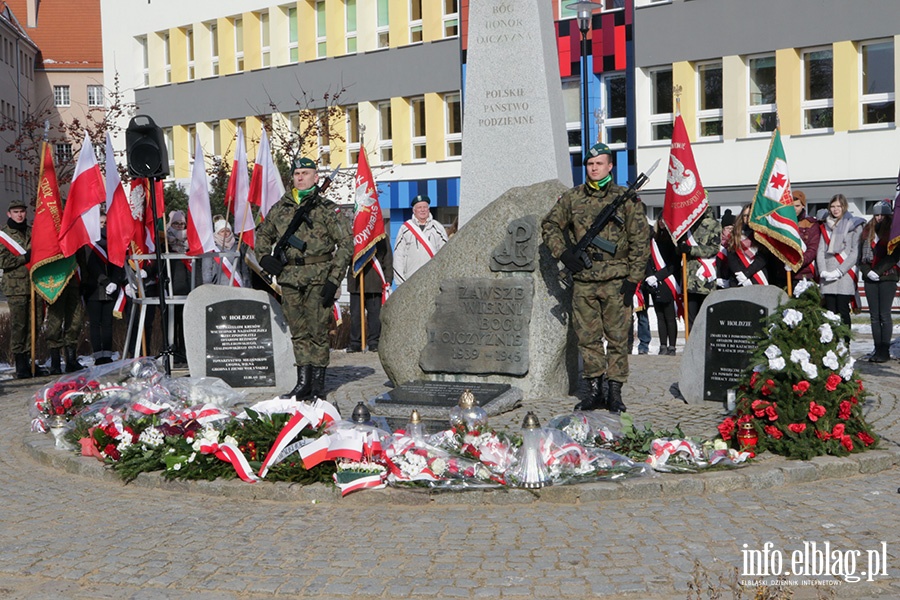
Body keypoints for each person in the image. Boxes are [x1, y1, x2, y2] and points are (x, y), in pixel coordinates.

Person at [541, 142, 650, 413]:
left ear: (610, 166)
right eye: (590, 164)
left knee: (617, 337)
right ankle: (592, 389)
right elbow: (550, 225)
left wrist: (633, 279)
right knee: (587, 338)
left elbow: (640, 239)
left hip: (616, 279)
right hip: (584, 280)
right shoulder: (572, 198)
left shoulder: (625, 198)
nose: (594, 168)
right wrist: (564, 253)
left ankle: (614, 391)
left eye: (599, 163)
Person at [257, 157, 352, 402]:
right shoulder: (281, 208)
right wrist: (264, 258)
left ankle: (318, 385)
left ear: (316, 177)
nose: (300, 177)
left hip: (319, 277)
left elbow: (345, 244)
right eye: (297, 173)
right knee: (298, 332)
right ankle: (303, 382)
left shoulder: (327, 209)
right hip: (289, 278)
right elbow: (263, 234)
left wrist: (334, 279)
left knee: (318, 331)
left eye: (306, 173)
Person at [0, 201, 44, 378]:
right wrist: (24, 258)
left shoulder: (32, 231)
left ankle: (31, 360)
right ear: (9, 214)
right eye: (15, 211)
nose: (19, 215)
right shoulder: (3, 235)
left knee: (35, 323)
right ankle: (20, 364)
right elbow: (2, 261)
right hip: (16, 286)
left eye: (22, 211)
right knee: (20, 325)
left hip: (35, 284)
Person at [817, 193, 865, 335]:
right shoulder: (825, 226)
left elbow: (855, 252)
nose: (835, 209)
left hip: (844, 275)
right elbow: (820, 251)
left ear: (844, 207)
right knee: (830, 312)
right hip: (827, 275)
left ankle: (845, 344)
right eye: (832, 206)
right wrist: (823, 271)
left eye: (839, 206)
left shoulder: (855, 225)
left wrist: (839, 271)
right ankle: (832, 345)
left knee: (843, 311)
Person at [81, 213, 126, 365]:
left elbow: (118, 263)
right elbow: (90, 265)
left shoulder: (114, 240)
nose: (103, 225)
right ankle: (98, 355)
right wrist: (105, 281)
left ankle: (107, 354)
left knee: (107, 323)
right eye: (100, 222)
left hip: (111, 288)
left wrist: (114, 281)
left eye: (105, 222)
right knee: (95, 323)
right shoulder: (89, 242)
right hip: (94, 289)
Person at [859, 200, 898, 362]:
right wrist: (868, 272)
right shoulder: (867, 230)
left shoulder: (893, 231)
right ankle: (877, 348)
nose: (879, 217)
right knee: (874, 316)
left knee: (884, 315)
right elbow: (861, 257)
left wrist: (877, 271)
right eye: (876, 214)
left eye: (882, 214)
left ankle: (884, 349)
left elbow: (894, 256)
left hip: (887, 276)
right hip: (870, 278)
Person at [676, 205, 722, 329]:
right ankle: (692, 345)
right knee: (691, 317)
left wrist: (692, 250)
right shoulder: (685, 224)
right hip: (689, 277)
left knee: (706, 315)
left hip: (705, 277)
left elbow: (714, 248)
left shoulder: (713, 224)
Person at [346, 237, 393, 353]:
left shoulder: (381, 236)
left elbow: (387, 259)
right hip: (356, 282)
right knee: (355, 316)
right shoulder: (356, 234)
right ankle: (355, 342)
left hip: (375, 281)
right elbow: (346, 257)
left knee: (375, 316)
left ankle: (374, 342)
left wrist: (388, 279)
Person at [393, 194, 448, 285]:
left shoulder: (438, 228)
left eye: (425, 207)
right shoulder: (405, 229)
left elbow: (445, 253)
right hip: (410, 278)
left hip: (432, 278)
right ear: (414, 210)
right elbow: (398, 255)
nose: (422, 210)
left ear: (428, 209)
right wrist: (400, 281)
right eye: (419, 207)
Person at [646, 221, 680, 356]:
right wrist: (649, 276)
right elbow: (648, 260)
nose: (662, 223)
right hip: (653, 281)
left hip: (668, 280)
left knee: (670, 316)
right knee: (659, 316)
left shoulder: (673, 241)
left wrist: (658, 276)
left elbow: (674, 264)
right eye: (660, 220)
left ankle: (672, 346)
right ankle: (662, 345)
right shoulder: (652, 240)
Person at [165, 210, 190, 365]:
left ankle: (185, 353)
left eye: (182, 223)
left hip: (188, 289)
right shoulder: (165, 243)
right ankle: (171, 353)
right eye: (176, 223)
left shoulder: (191, 243)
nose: (180, 226)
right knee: (171, 324)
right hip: (171, 289)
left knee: (185, 324)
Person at [726, 204, 768, 288]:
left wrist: (747, 274)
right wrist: (739, 275)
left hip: (757, 275)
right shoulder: (735, 233)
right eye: (745, 215)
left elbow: (762, 257)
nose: (747, 218)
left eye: (750, 215)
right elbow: (731, 256)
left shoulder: (761, 234)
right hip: (738, 278)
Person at [202, 218, 251, 286]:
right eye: (222, 231)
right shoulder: (211, 248)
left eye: (227, 231)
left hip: (237, 288)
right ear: (217, 233)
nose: (225, 233)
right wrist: (208, 288)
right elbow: (207, 271)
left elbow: (244, 269)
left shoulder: (238, 246)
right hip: (219, 288)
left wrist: (247, 286)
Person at [792, 191, 821, 282]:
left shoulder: (811, 224)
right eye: (791, 206)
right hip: (784, 273)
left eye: (797, 206)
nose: (794, 209)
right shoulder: (782, 224)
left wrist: (798, 263)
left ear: (803, 206)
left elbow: (812, 249)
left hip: (805, 273)